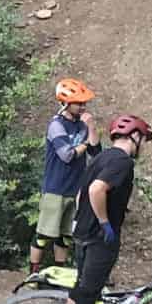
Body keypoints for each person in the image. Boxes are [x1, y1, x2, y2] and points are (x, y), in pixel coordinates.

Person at [59, 113, 152, 304]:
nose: (143, 144)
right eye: (143, 138)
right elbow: (95, 189)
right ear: (134, 136)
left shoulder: (101, 157)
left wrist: (81, 220)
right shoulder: (122, 161)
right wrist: (104, 222)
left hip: (83, 232)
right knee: (89, 290)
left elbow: (82, 193)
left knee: (80, 284)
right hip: (99, 236)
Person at [31, 78, 97, 273]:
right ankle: (33, 275)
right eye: (79, 103)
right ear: (66, 103)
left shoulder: (83, 125)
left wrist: (91, 127)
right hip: (55, 188)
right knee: (43, 235)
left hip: (75, 189)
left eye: (84, 103)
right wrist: (86, 144)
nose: (83, 107)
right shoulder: (56, 125)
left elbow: (96, 153)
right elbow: (66, 155)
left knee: (65, 236)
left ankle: (58, 273)